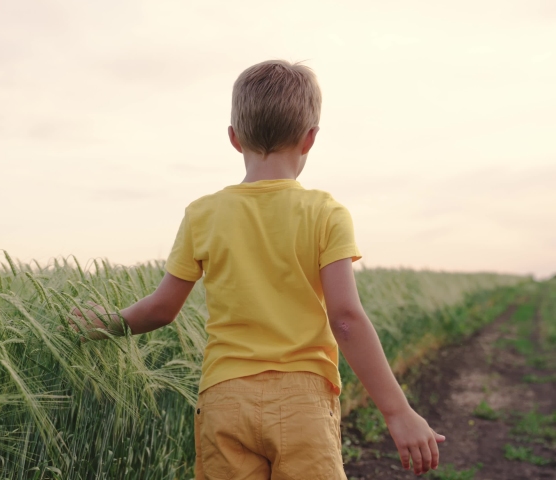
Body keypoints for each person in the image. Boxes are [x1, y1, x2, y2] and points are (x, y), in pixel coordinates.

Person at [69, 59, 445, 479]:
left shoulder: (203, 214)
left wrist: (100, 325)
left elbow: (161, 310)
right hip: (303, 402)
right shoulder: (326, 213)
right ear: (310, 139)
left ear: (234, 138)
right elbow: (345, 319)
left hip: (224, 399)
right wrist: (397, 412)